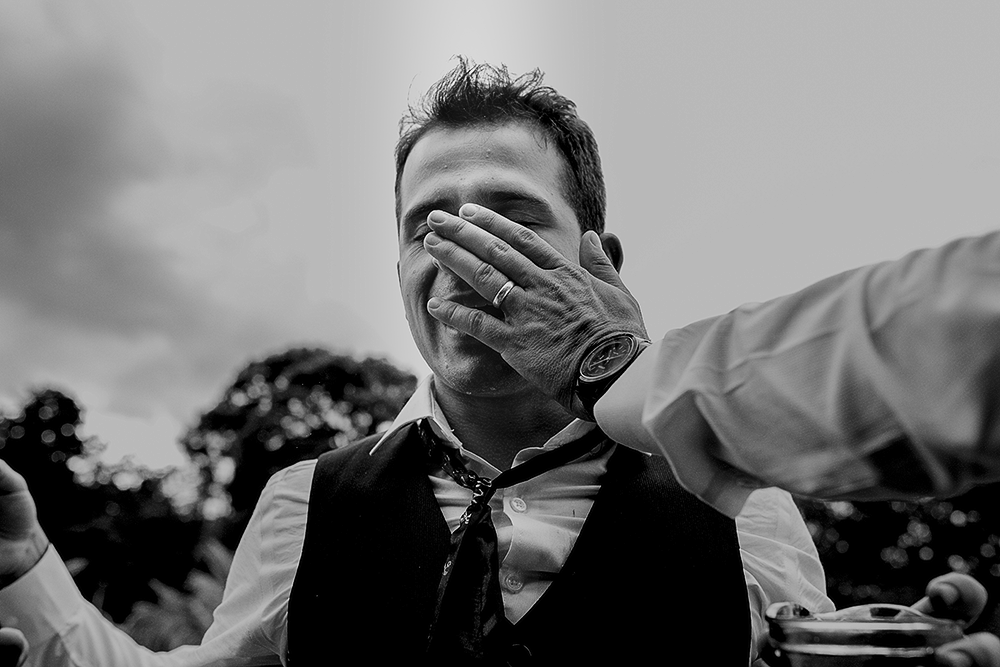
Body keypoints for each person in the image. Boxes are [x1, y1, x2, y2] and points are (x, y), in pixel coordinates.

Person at [0, 59, 993, 666]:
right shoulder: (305, 501)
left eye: (511, 223)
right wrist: (25, 571)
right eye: (427, 229)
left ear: (598, 263)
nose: (460, 259)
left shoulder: (743, 502)